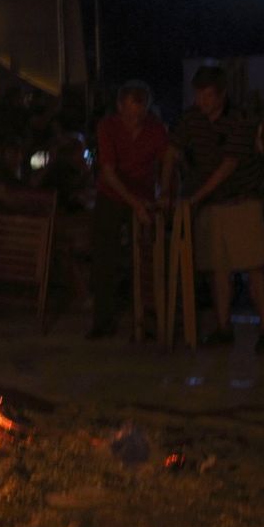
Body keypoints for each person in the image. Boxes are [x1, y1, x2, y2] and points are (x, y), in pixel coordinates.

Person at [161, 64, 264, 353]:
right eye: (199, 95)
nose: (202, 101)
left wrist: (196, 196)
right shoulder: (191, 119)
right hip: (210, 203)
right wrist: (166, 188)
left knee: (254, 265)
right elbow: (172, 151)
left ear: (222, 95)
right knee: (217, 268)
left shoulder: (240, 121)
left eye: (208, 96)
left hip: (241, 199)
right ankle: (224, 327)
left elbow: (228, 166)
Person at [87, 80, 168, 339]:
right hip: (113, 194)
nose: (135, 118)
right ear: (120, 107)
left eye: (140, 112)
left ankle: (147, 315)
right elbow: (108, 172)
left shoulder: (155, 130)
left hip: (143, 194)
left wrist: (163, 192)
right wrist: (135, 204)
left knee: (145, 256)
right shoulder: (107, 127)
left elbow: (167, 160)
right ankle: (103, 320)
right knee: (104, 257)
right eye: (131, 112)